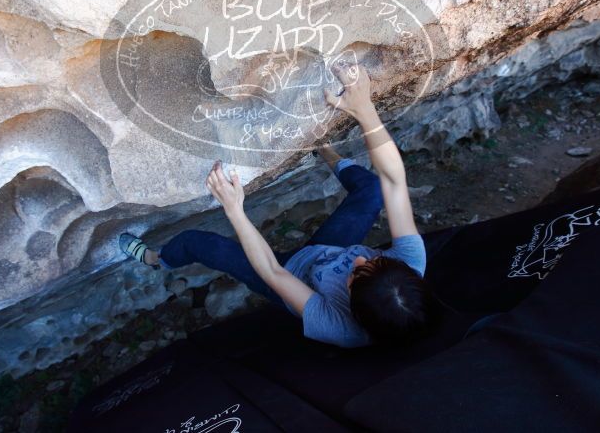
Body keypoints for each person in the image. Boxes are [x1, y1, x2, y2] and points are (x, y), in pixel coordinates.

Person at [120, 60, 434, 348]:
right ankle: (322, 149)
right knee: (373, 190)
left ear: (351, 307)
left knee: (198, 243)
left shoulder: (339, 327)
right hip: (325, 252)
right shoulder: (410, 265)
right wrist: (365, 109)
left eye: (355, 277)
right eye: (375, 260)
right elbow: (394, 180)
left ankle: (156, 259)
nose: (359, 260)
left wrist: (234, 209)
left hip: (291, 275)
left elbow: (272, 271)